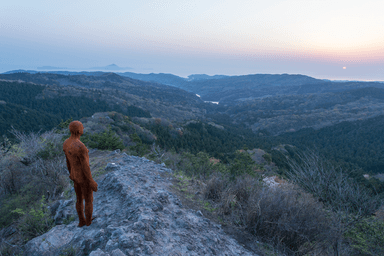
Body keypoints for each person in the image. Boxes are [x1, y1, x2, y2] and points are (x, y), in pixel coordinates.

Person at [63, 121, 98, 227]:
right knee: (88, 199)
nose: (83, 129)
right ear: (79, 130)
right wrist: (91, 181)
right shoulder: (80, 147)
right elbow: (85, 167)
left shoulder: (66, 143)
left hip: (74, 176)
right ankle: (88, 222)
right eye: (82, 127)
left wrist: (71, 173)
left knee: (78, 199)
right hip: (83, 178)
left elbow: (68, 162)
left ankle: (81, 221)